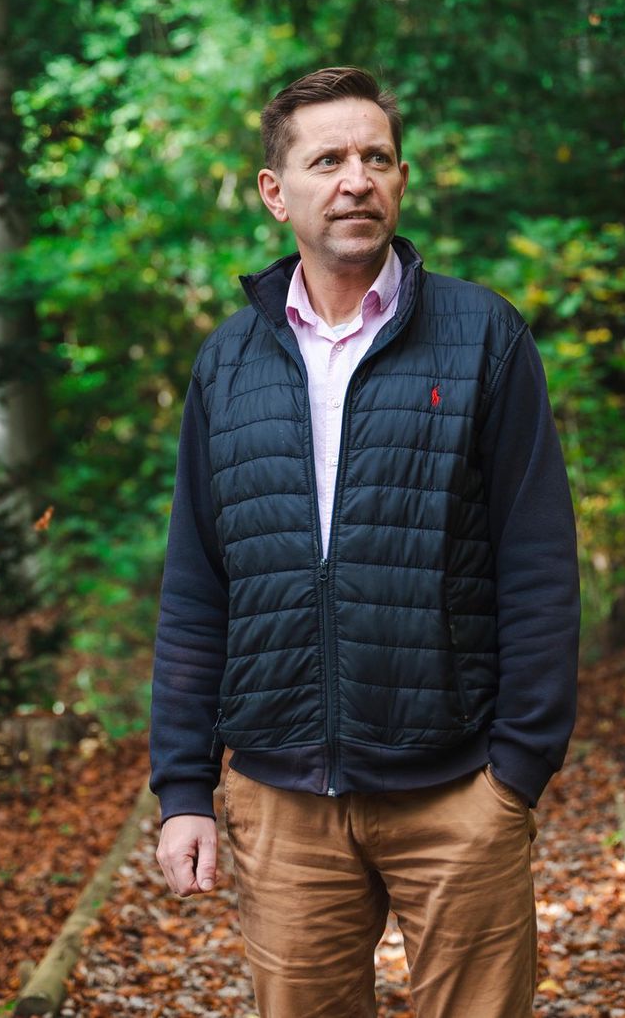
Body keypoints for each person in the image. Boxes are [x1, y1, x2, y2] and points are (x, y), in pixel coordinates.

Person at [150, 66, 580, 1018]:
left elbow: (539, 564)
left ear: (401, 179)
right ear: (276, 192)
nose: (356, 179)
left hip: (458, 790)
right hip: (282, 794)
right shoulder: (227, 365)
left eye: (376, 157)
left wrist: (516, 771)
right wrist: (185, 785)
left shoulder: (483, 337)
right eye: (329, 159)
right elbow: (196, 585)